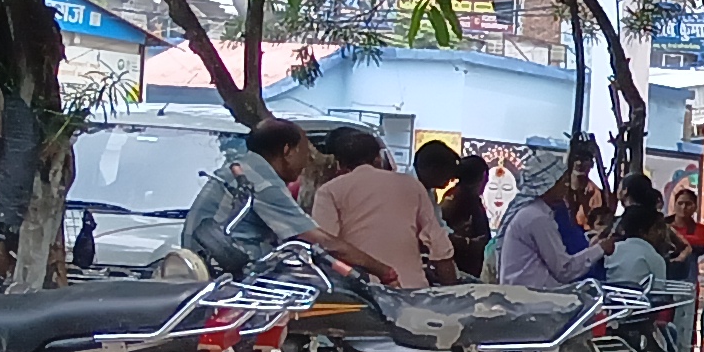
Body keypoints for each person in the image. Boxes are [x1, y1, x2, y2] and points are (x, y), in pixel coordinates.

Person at [304, 125, 454, 286]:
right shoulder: (412, 185)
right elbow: (439, 246)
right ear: (378, 158)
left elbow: (327, 247)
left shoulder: (329, 191)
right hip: (411, 291)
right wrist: (452, 291)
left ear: (339, 164)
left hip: (362, 293)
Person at [608, 181, 700, 352]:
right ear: (649, 230)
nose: (663, 234)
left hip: (613, 323)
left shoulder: (611, 249)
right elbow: (659, 294)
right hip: (642, 323)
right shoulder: (652, 256)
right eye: (659, 229)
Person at [182, 116, 319, 274]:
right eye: (304, 152)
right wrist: (353, 262)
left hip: (205, 267)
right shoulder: (262, 183)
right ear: (287, 151)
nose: (307, 160)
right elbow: (314, 237)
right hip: (227, 271)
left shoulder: (244, 168)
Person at [495, 139, 607, 288]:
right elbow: (564, 270)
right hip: (531, 298)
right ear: (549, 185)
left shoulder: (539, 212)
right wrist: (601, 249)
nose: (566, 185)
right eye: (562, 182)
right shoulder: (536, 217)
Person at [418, 141, 493, 284]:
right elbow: (434, 234)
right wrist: (467, 243)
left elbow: (440, 226)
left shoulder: (432, 193)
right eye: (448, 174)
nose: (451, 179)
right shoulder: (456, 198)